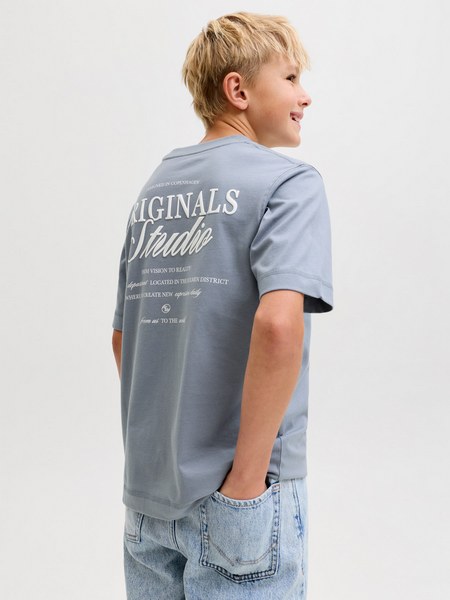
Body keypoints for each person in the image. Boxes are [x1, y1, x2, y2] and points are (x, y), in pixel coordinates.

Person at [112, 11, 334, 599]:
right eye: (291, 77)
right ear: (238, 90)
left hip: (148, 498)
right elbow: (279, 326)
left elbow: (123, 337)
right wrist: (245, 483)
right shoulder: (289, 184)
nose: (305, 96)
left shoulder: (153, 191)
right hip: (240, 494)